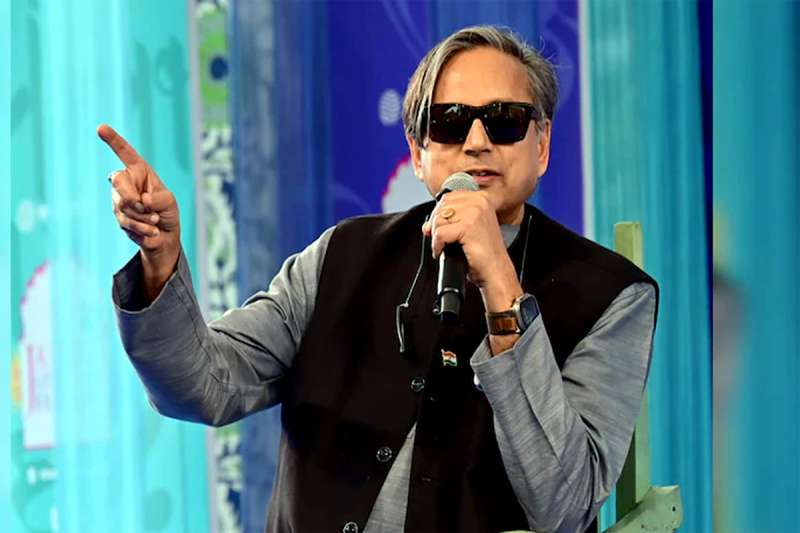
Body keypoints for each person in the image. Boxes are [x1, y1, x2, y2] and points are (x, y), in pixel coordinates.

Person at [102, 25, 657, 533]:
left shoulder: (614, 297)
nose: (477, 141)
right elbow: (204, 386)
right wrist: (161, 262)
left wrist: (500, 285)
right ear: (418, 152)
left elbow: (564, 506)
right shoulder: (340, 255)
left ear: (542, 145)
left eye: (506, 120)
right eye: (450, 121)